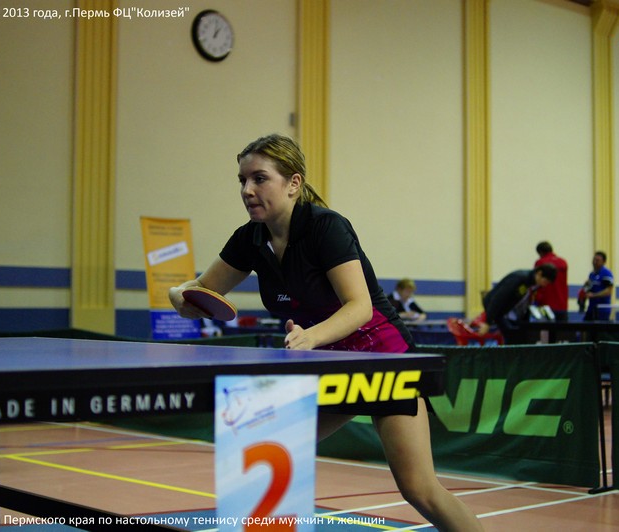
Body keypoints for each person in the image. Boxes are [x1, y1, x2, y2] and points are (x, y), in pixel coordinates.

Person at [168, 134, 483, 532]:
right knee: (269, 445)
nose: (247, 190)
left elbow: (360, 306)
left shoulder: (326, 227)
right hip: (334, 362)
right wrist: (178, 295)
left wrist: (311, 337)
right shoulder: (251, 238)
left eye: (260, 178)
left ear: (293, 183)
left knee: (420, 489)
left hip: (384, 362)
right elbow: (201, 290)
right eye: (242, 180)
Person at [476, 264, 558, 344]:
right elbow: (498, 299)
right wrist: (487, 322)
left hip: (502, 312)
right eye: (545, 281)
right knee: (511, 336)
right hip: (494, 308)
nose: (545, 285)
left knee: (513, 336)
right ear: (539, 273)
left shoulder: (530, 282)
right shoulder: (519, 279)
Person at [582, 251, 614, 321]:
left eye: (597, 260)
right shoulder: (592, 274)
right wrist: (585, 287)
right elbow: (589, 289)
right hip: (591, 308)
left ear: (603, 262)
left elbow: (608, 291)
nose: (595, 262)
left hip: (602, 309)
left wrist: (594, 295)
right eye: (594, 259)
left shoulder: (606, 273)